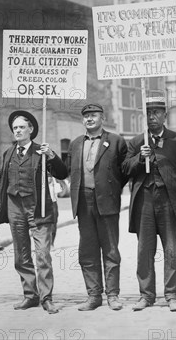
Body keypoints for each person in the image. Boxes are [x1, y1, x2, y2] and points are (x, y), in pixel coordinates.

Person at [122, 97, 176, 312]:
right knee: (144, 251)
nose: (152, 116)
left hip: (169, 202)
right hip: (144, 201)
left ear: (165, 115)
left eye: (157, 112)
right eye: (148, 112)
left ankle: (172, 295)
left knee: (171, 250)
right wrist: (138, 158)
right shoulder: (136, 142)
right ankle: (146, 295)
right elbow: (125, 169)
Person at [0, 110, 68, 314]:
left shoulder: (41, 151)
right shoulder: (8, 153)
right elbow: (3, 182)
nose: (17, 131)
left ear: (31, 129)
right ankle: (30, 295)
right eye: (15, 128)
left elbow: (63, 173)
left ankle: (46, 297)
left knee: (43, 254)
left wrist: (51, 156)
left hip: (38, 208)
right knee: (21, 254)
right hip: (15, 207)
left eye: (21, 127)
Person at [66, 103, 128, 311]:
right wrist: (50, 157)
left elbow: (126, 170)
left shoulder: (116, 141)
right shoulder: (75, 144)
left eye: (93, 116)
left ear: (103, 118)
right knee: (87, 250)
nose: (89, 119)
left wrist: (114, 189)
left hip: (107, 201)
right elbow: (64, 171)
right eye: (86, 117)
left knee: (110, 249)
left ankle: (112, 295)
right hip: (83, 201)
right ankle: (93, 295)